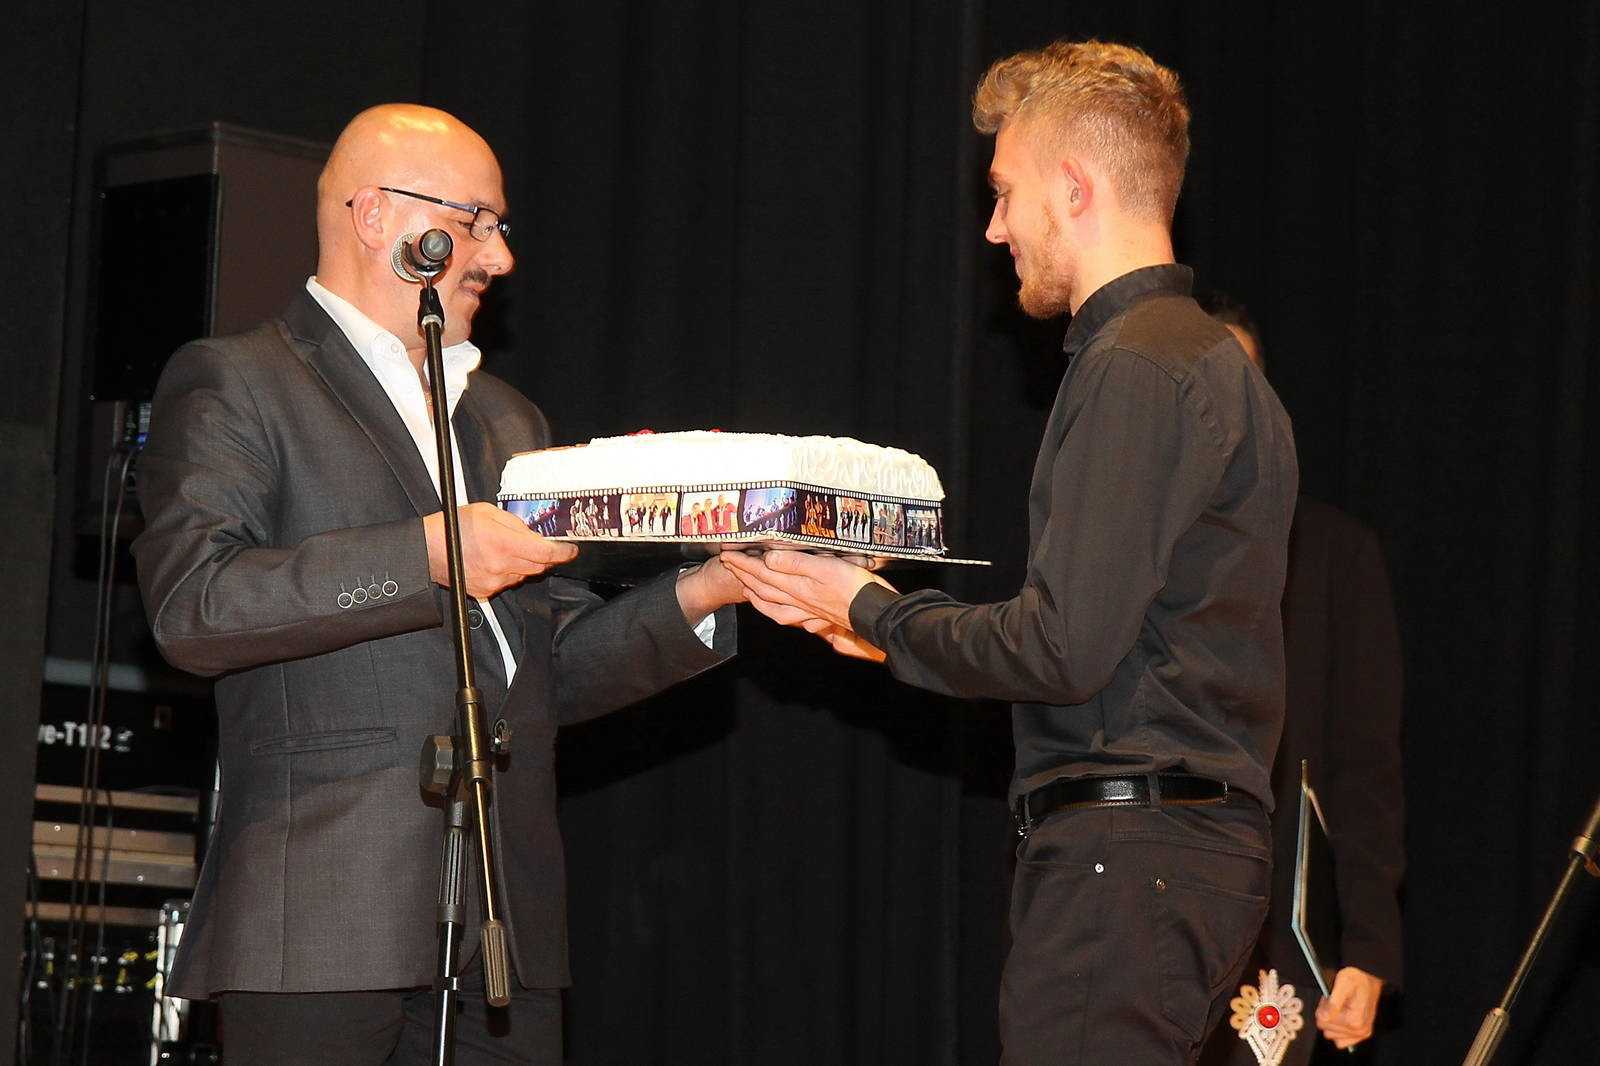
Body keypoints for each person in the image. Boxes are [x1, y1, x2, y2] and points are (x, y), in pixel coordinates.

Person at [131, 103, 744, 1066]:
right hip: (318, 916)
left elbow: (545, 670)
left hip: (503, 922)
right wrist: (425, 554)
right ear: (378, 215)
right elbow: (193, 609)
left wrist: (707, 590)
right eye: (476, 223)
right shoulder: (239, 380)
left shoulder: (507, 419)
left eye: (500, 227)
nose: (499, 257)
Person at [722, 40, 1298, 1064]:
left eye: (1003, 192)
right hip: (1174, 853)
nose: (993, 229)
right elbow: (1117, 643)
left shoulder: (1137, 364)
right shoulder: (1207, 364)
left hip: (1131, 853)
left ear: (1072, 187)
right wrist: (875, 625)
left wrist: (865, 606)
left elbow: (1061, 648)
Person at [1196, 294, 1404, 1064]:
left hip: (1270, 936)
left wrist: (1371, 946)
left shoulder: (1332, 555)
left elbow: (1365, 768)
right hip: (1131, 916)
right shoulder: (1113, 546)